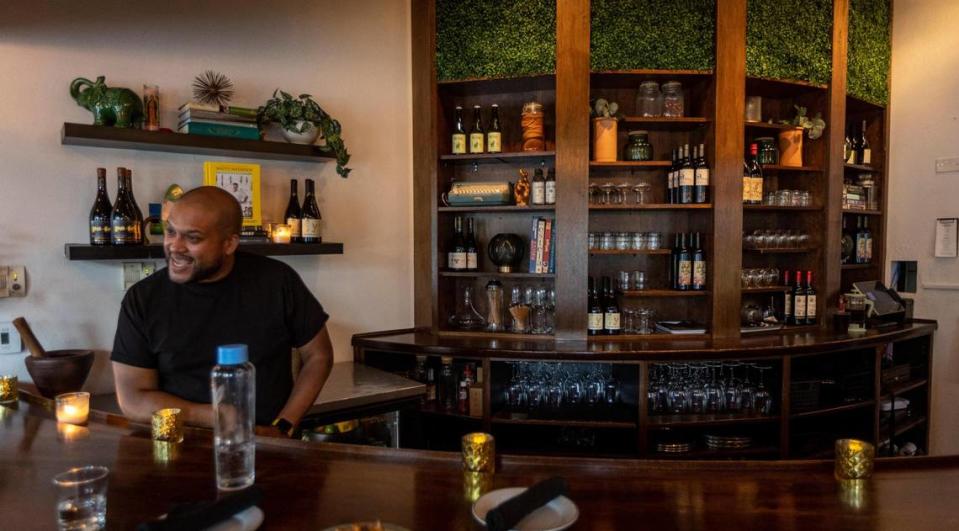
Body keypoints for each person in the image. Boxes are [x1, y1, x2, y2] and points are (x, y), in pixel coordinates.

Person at [111, 186, 334, 437]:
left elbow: (318, 355)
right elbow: (132, 398)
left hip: (267, 443)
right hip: (178, 444)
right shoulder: (143, 299)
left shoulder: (276, 280)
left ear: (229, 244)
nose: (175, 246)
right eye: (171, 231)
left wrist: (284, 426)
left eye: (192, 238)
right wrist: (215, 415)